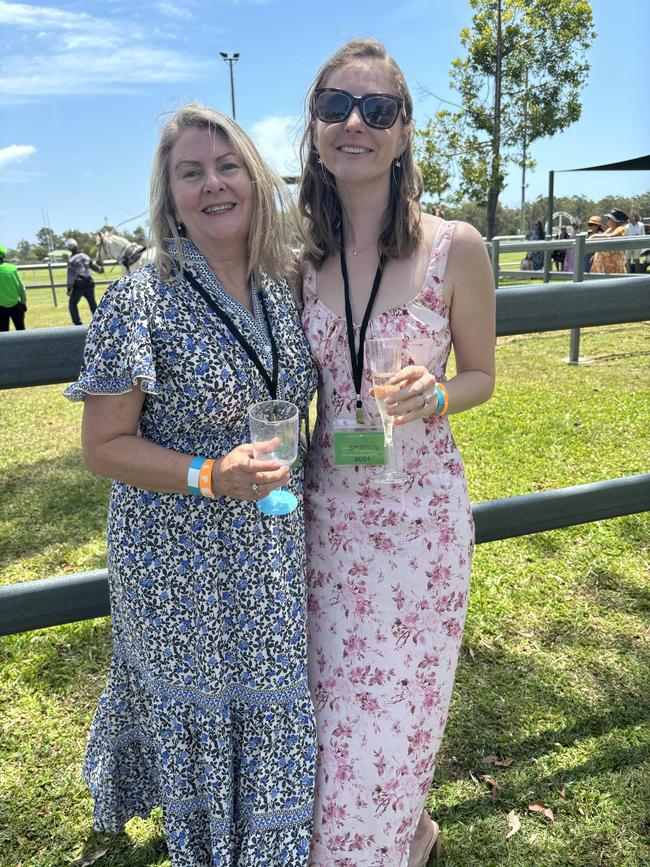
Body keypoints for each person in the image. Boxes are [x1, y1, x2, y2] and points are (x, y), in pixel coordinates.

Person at [64, 104, 318, 865]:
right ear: (169, 192)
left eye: (228, 165)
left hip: (270, 539)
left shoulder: (285, 281)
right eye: (191, 172)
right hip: (180, 556)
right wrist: (209, 474)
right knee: (205, 704)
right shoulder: (143, 293)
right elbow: (102, 446)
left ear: (254, 176)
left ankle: (269, 843)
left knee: (271, 696)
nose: (214, 184)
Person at [298, 39, 495, 866]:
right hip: (323, 530)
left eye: (378, 110)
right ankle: (408, 834)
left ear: (405, 132)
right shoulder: (296, 259)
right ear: (313, 128)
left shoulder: (459, 247)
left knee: (390, 729)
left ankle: (392, 841)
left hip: (419, 532)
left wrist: (438, 393)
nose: (356, 123)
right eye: (337, 105)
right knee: (327, 731)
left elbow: (483, 374)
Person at [66, 238, 103, 325]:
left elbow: (70, 276)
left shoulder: (71, 260)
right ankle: (99, 322)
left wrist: (69, 288)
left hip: (79, 284)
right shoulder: (85, 256)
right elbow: (94, 267)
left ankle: (78, 323)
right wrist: (101, 270)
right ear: (77, 246)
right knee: (92, 304)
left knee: (72, 303)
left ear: (69, 249)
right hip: (90, 282)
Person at [590, 207, 627, 274]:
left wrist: (595, 236)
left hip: (614, 262)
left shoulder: (621, 228)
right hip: (604, 262)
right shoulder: (610, 228)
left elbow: (613, 235)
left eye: (609, 218)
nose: (607, 220)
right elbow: (603, 237)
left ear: (615, 220)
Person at [0, 245, 27, 331]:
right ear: (3, 256)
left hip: (0, 308)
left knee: (3, 334)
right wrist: (23, 302)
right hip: (15, 305)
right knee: (21, 330)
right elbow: (21, 287)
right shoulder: (12, 268)